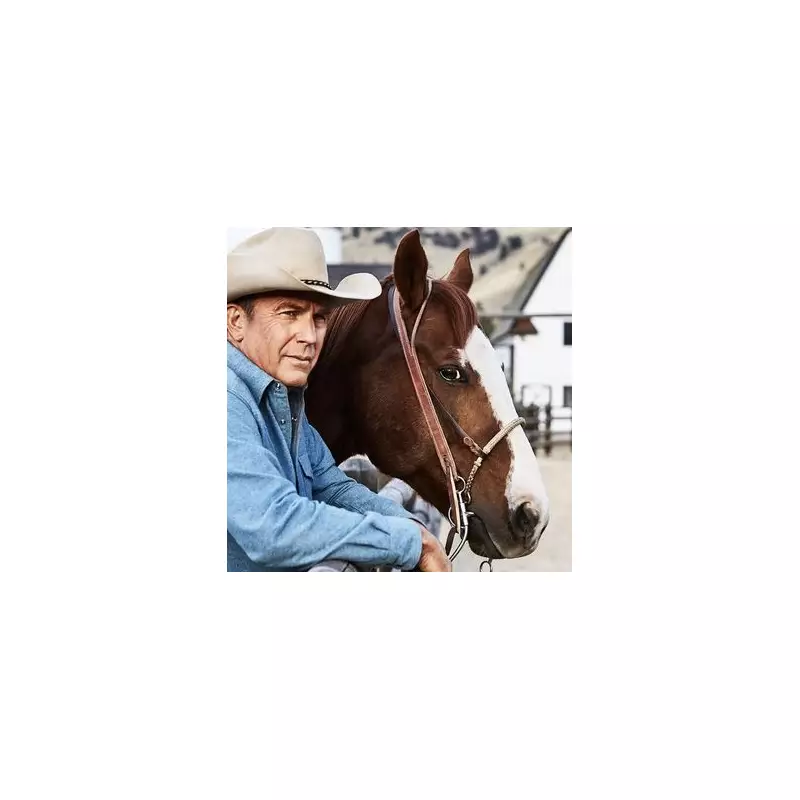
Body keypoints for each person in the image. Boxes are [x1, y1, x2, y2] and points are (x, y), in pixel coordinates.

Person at [227, 227, 451, 572]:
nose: (309, 336)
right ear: (236, 322)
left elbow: (332, 488)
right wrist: (409, 543)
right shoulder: (227, 401)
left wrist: (413, 528)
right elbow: (273, 528)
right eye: (289, 313)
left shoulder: (285, 401)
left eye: (319, 318)